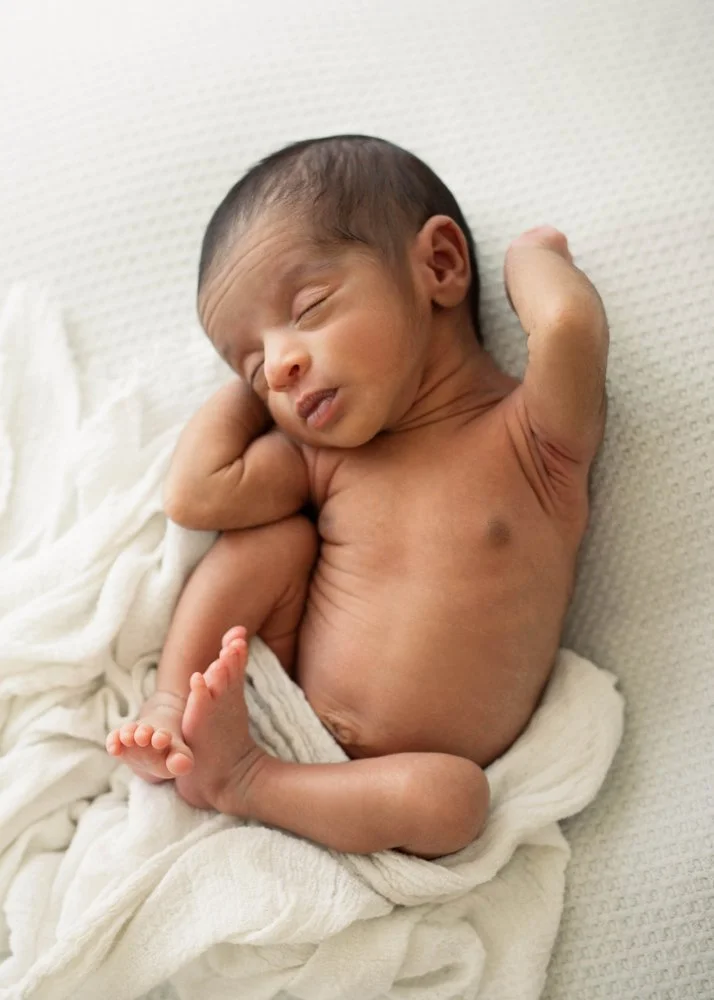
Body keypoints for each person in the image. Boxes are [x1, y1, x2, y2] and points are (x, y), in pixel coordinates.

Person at [105, 135, 609, 859]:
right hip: (280, 709)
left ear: (439, 265)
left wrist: (534, 256)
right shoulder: (328, 458)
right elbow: (197, 493)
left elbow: (567, 325)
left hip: (396, 785)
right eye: (253, 369)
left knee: (456, 802)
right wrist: (265, 374)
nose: (279, 365)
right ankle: (170, 698)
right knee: (273, 543)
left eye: (308, 306)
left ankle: (244, 781)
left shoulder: (534, 441)